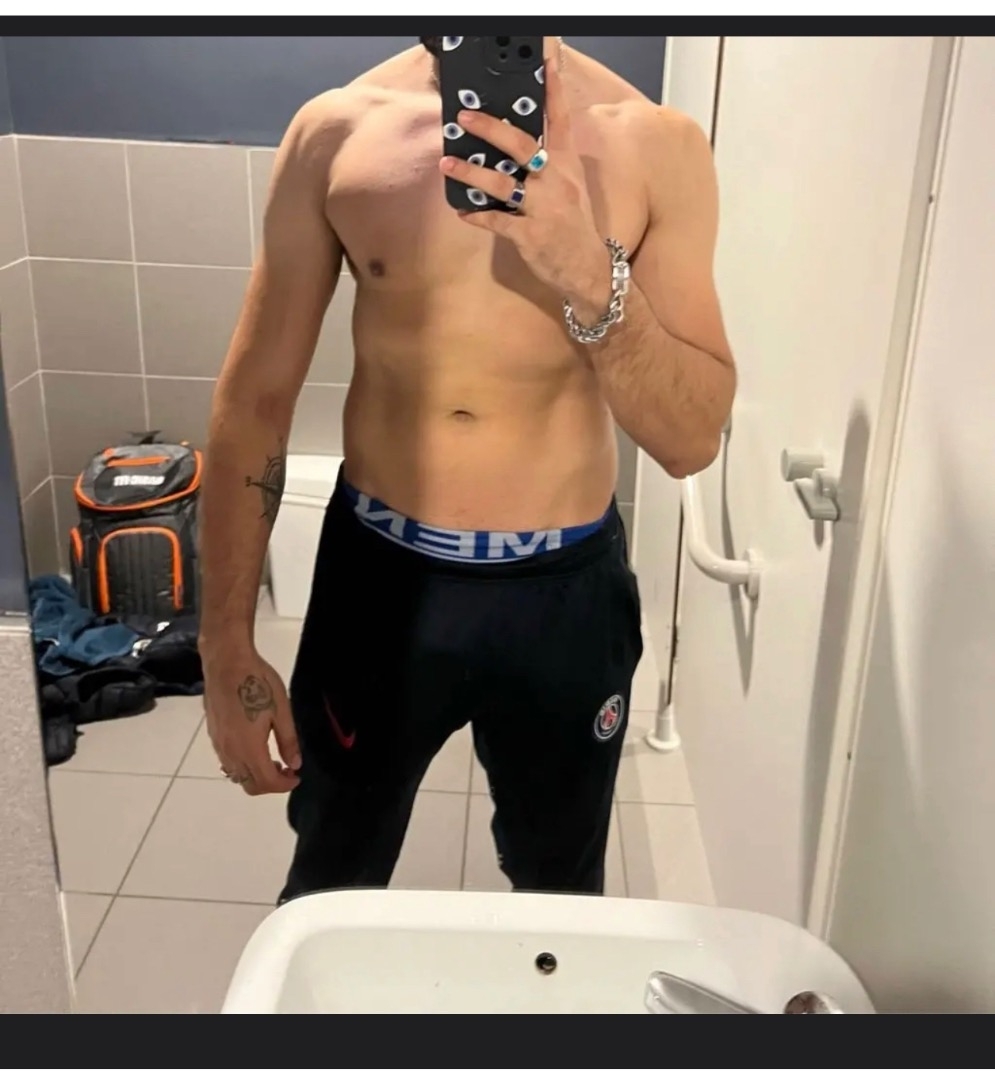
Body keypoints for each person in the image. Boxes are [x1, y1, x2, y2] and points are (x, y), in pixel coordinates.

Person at [198, 37, 735, 902]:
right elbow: (254, 402)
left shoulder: (653, 143)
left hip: (563, 592)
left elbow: (690, 440)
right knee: (332, 872)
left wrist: (586, 270)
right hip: (377, 582)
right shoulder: (337, 133)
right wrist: (223, 641)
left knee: (558, 890)